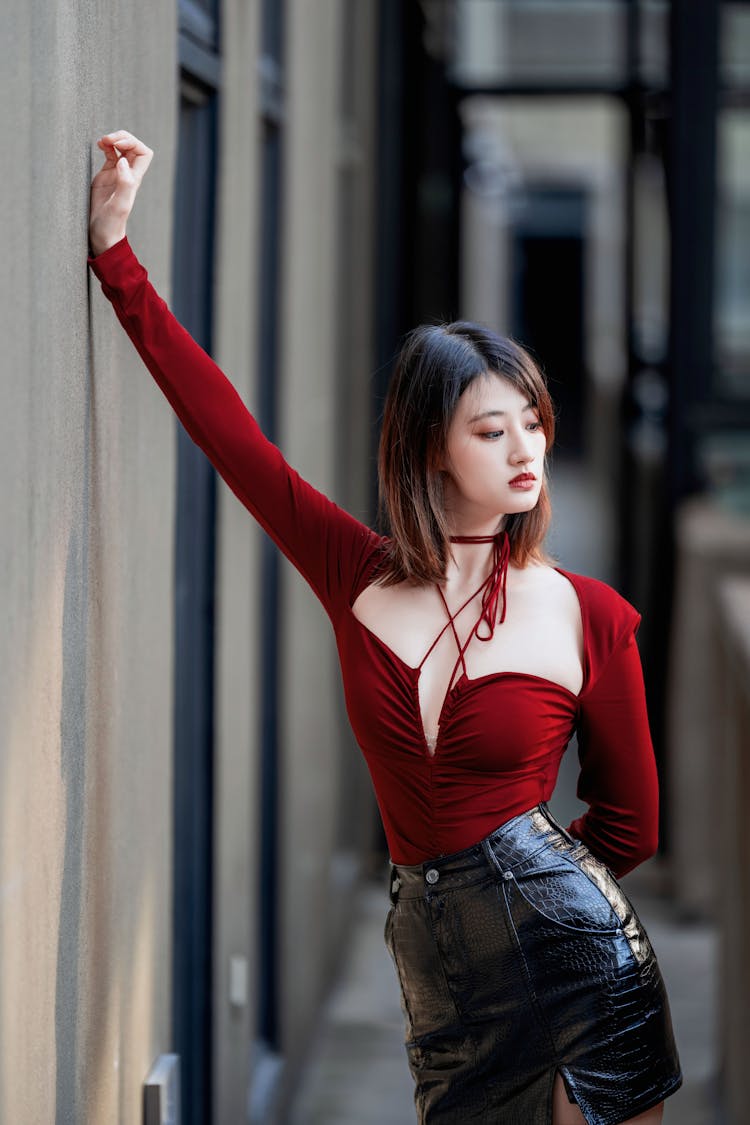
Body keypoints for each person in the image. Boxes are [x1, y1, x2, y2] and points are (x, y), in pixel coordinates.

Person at [88, 131, 683, 1125]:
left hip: (584, 978)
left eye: (533, 422)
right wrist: (117, 257)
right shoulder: (354, 573)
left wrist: (522, 902)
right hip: (441, 989)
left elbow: (632, 828)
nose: (526, 447)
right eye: (492, 430)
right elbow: (230, 434)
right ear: (433, 452)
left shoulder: (588, 613)